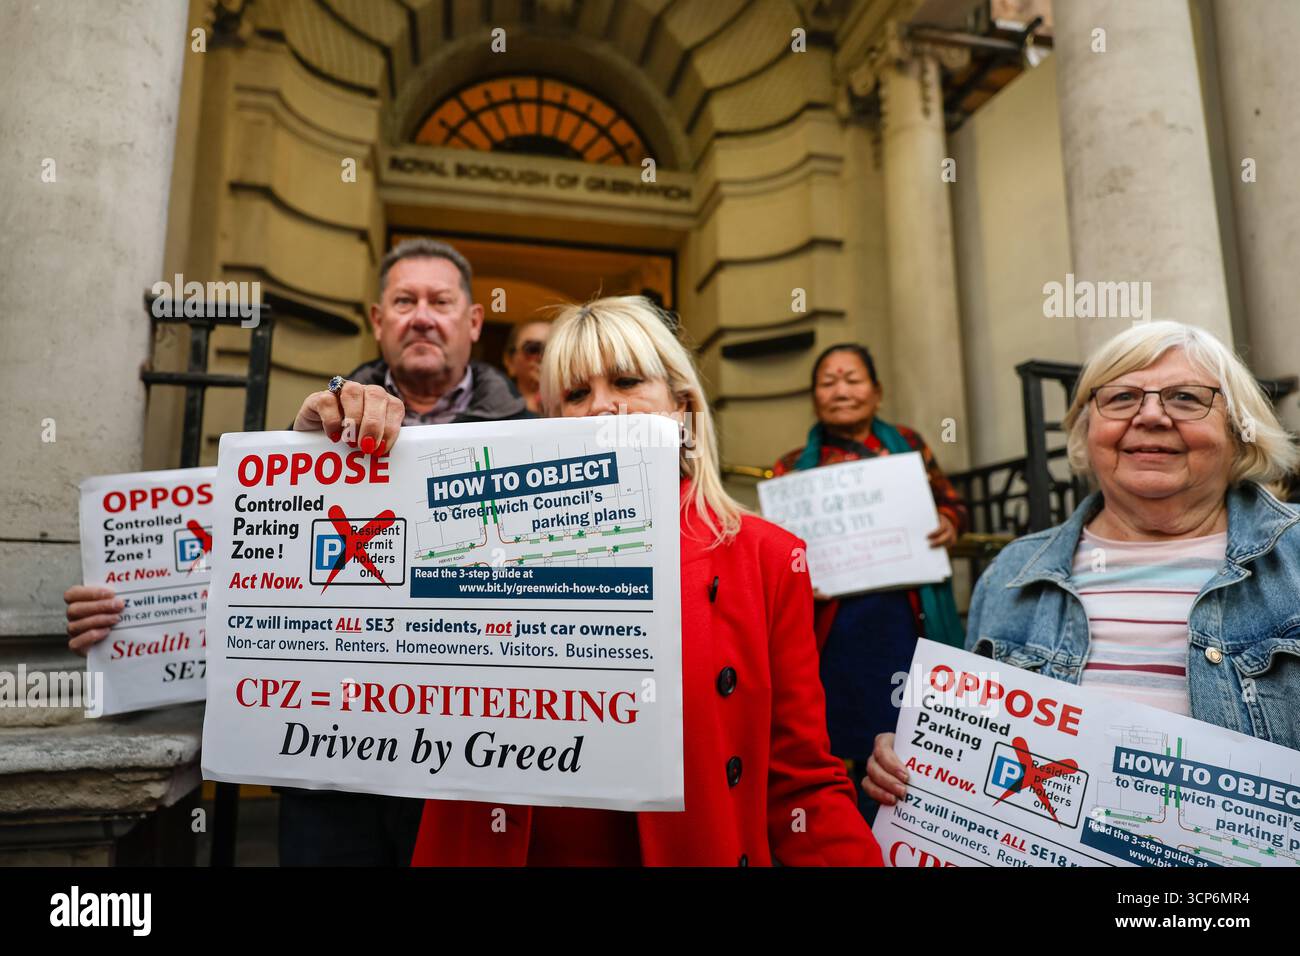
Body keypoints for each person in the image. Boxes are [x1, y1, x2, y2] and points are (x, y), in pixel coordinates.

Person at [345, 295, 880, 865]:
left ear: (681, 409)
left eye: (626, 381)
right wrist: (317, 463)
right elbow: (362, 645)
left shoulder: (768, 559)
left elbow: (801, 784)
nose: (602, 407)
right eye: (576, 394)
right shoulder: (483, 540)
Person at [64, 237, 530, 865]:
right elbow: (246, 564)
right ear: (377, 320)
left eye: (440, 301)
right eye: (404, 301)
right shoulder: (310, 434)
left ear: (473, 321)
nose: (422, 316)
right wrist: (131, 612)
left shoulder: (539, 441)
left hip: (475, 774)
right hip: (328, 769)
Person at [866, 320, 1300, 812]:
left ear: (1239, 429)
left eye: (1185, 398)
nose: (1150, 415)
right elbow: (975, 747)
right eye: (1121, 398)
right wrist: (922, 755)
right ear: (1085, 428)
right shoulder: (1012, 574)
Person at [772, 343, 967, 821]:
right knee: (838, 732)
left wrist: (948, 520)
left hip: (905, 619)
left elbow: (952, 502)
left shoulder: (908, 444)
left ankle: (909, 829)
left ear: (876, 392)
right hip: (832, 629)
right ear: (815, 397)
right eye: (828, 382)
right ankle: (846, 828)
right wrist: (793, 576)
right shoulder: (791, 468)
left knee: (908, 728)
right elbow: (778, 553)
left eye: (853, 379)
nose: (841, 390)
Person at [501, 320, 551, 414]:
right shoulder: (495, 407)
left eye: (552, 349)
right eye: (533, 348)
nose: (544, 356)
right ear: (509, 360)